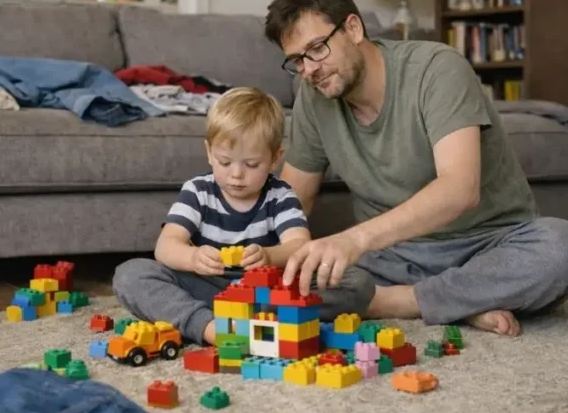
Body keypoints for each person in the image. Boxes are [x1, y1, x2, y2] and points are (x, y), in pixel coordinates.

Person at [263, 0, 568, 337]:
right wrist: (249, 254)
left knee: (563, 248)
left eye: (317, 48)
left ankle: (395, 303)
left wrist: (354, 240)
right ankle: (463, 301)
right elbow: (292, 202)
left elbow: (460, 189)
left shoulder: (437, 68)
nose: (308, 69)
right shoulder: (313, 97)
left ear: (353, 28)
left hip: (486, 244)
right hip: (393, 259)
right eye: (296, 60)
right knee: (300, 276)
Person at [111, 87, 375, 346]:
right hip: (208, 287)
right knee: (130, 274)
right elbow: (165, 246)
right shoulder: (198, 191)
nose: (236, 174)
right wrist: (192, 258)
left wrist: (269, 256)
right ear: (209, 153)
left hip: (267, 294)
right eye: (225, 162)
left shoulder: (280, 195)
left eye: (251, 165)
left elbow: (299, 246)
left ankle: (265, 319)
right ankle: (208, 326)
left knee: (357, 282)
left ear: (274, 159)